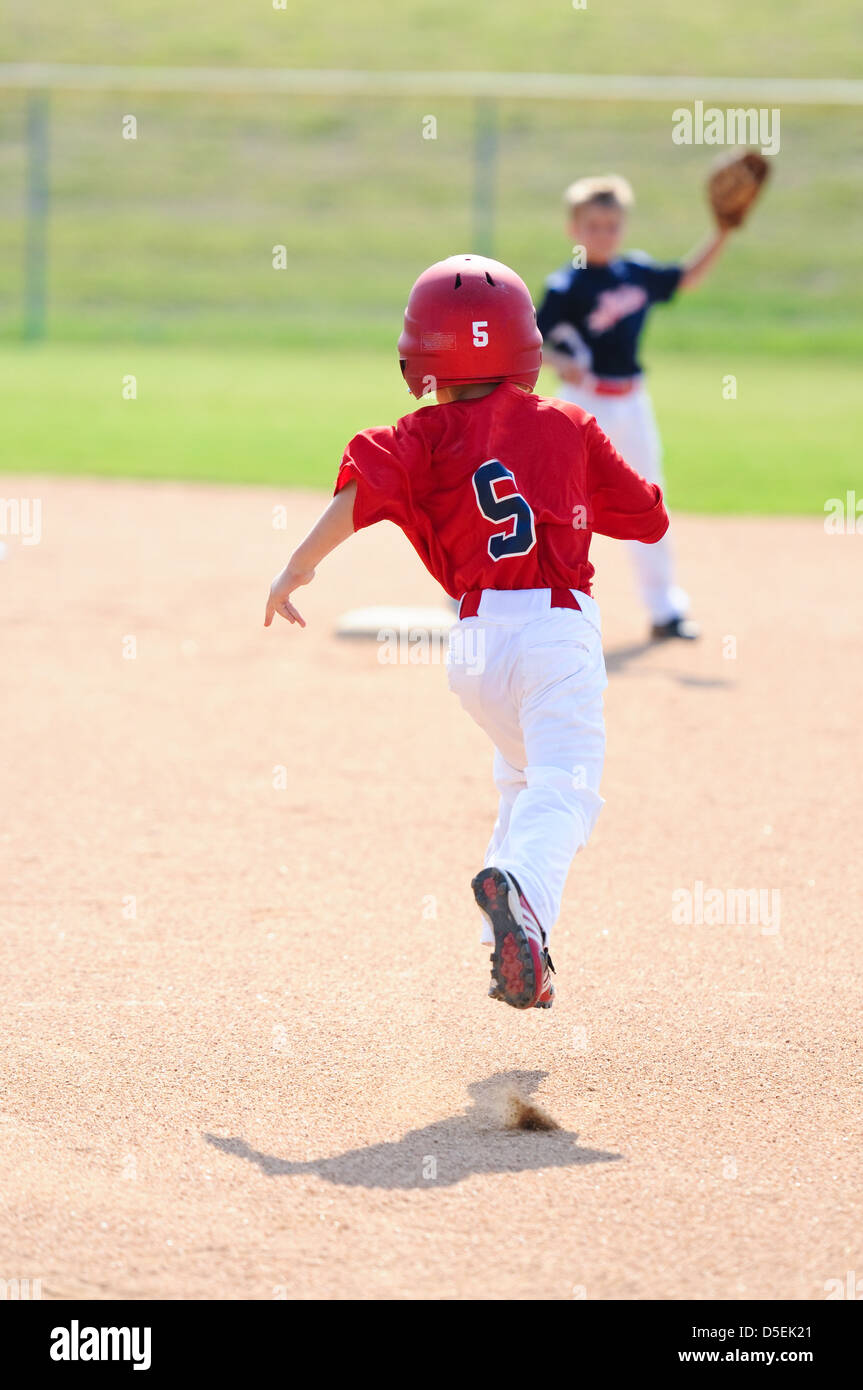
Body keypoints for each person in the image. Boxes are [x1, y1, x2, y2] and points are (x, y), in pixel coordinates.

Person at [265, 254, 669, 1010]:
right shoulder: (568, 425)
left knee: (521, 781)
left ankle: (516, 948)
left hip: (476, 647)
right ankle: (518, 893)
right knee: (567, 786)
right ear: (526, 345)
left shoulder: (417, 436)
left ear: (417, 356)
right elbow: (647, 517)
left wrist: (298, 565)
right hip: (554, 628)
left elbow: (363, 487)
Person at [537, 174, 730, 639]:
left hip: (632, 402)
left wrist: (723, 231)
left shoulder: (636, 273)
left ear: (623, 227)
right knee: (560, 501)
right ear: (573, 229)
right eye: (593, 224)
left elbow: (688, 277)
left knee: (648, 499)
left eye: (611, 224)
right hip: (583, 405)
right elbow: (533, 341)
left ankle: (665, 610)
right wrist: (563, 361)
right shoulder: (566, 286)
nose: (603, 233)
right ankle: (527, 595)